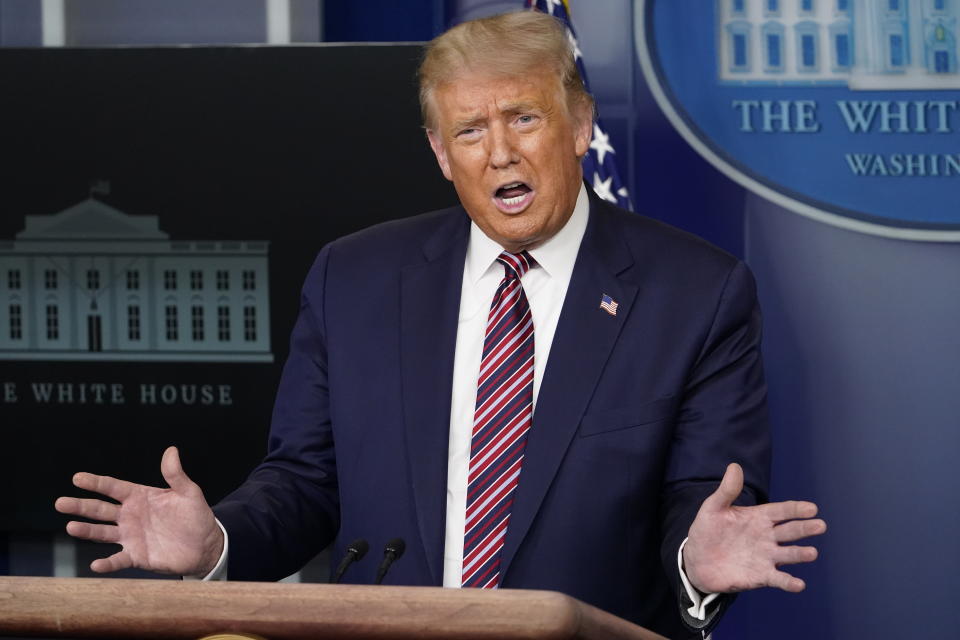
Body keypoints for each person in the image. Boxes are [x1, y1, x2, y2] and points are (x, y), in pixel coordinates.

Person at [55, 11, 825, 639]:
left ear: (579, 123)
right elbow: (303, 482)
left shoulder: (696, 292)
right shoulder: (353, 278)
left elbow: (699, 497)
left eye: (524, 117)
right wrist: (217, 543)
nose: (499, 153)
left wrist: (698, 557)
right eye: (469, 131)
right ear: (438, 152)